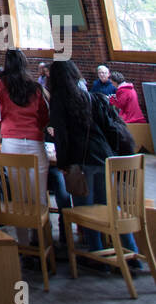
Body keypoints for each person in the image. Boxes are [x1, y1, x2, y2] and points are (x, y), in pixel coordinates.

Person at [47, 60, 141, 270]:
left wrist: (63, 163)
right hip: (105, 157)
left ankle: (97, 255)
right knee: (110, 206)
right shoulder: (89, 97)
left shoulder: (60, 101)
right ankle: (131, 253)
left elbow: (61, 135)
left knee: (86, 209)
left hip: (82, 160)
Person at [0, 49, 49, 249]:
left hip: (11, 141)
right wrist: (37, 127)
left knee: (19, 197)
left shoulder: (0, 82)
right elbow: (44, 114)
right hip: (35, 142)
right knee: (38, 194)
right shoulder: (34, 86)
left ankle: (24, 244)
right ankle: (41, 240)